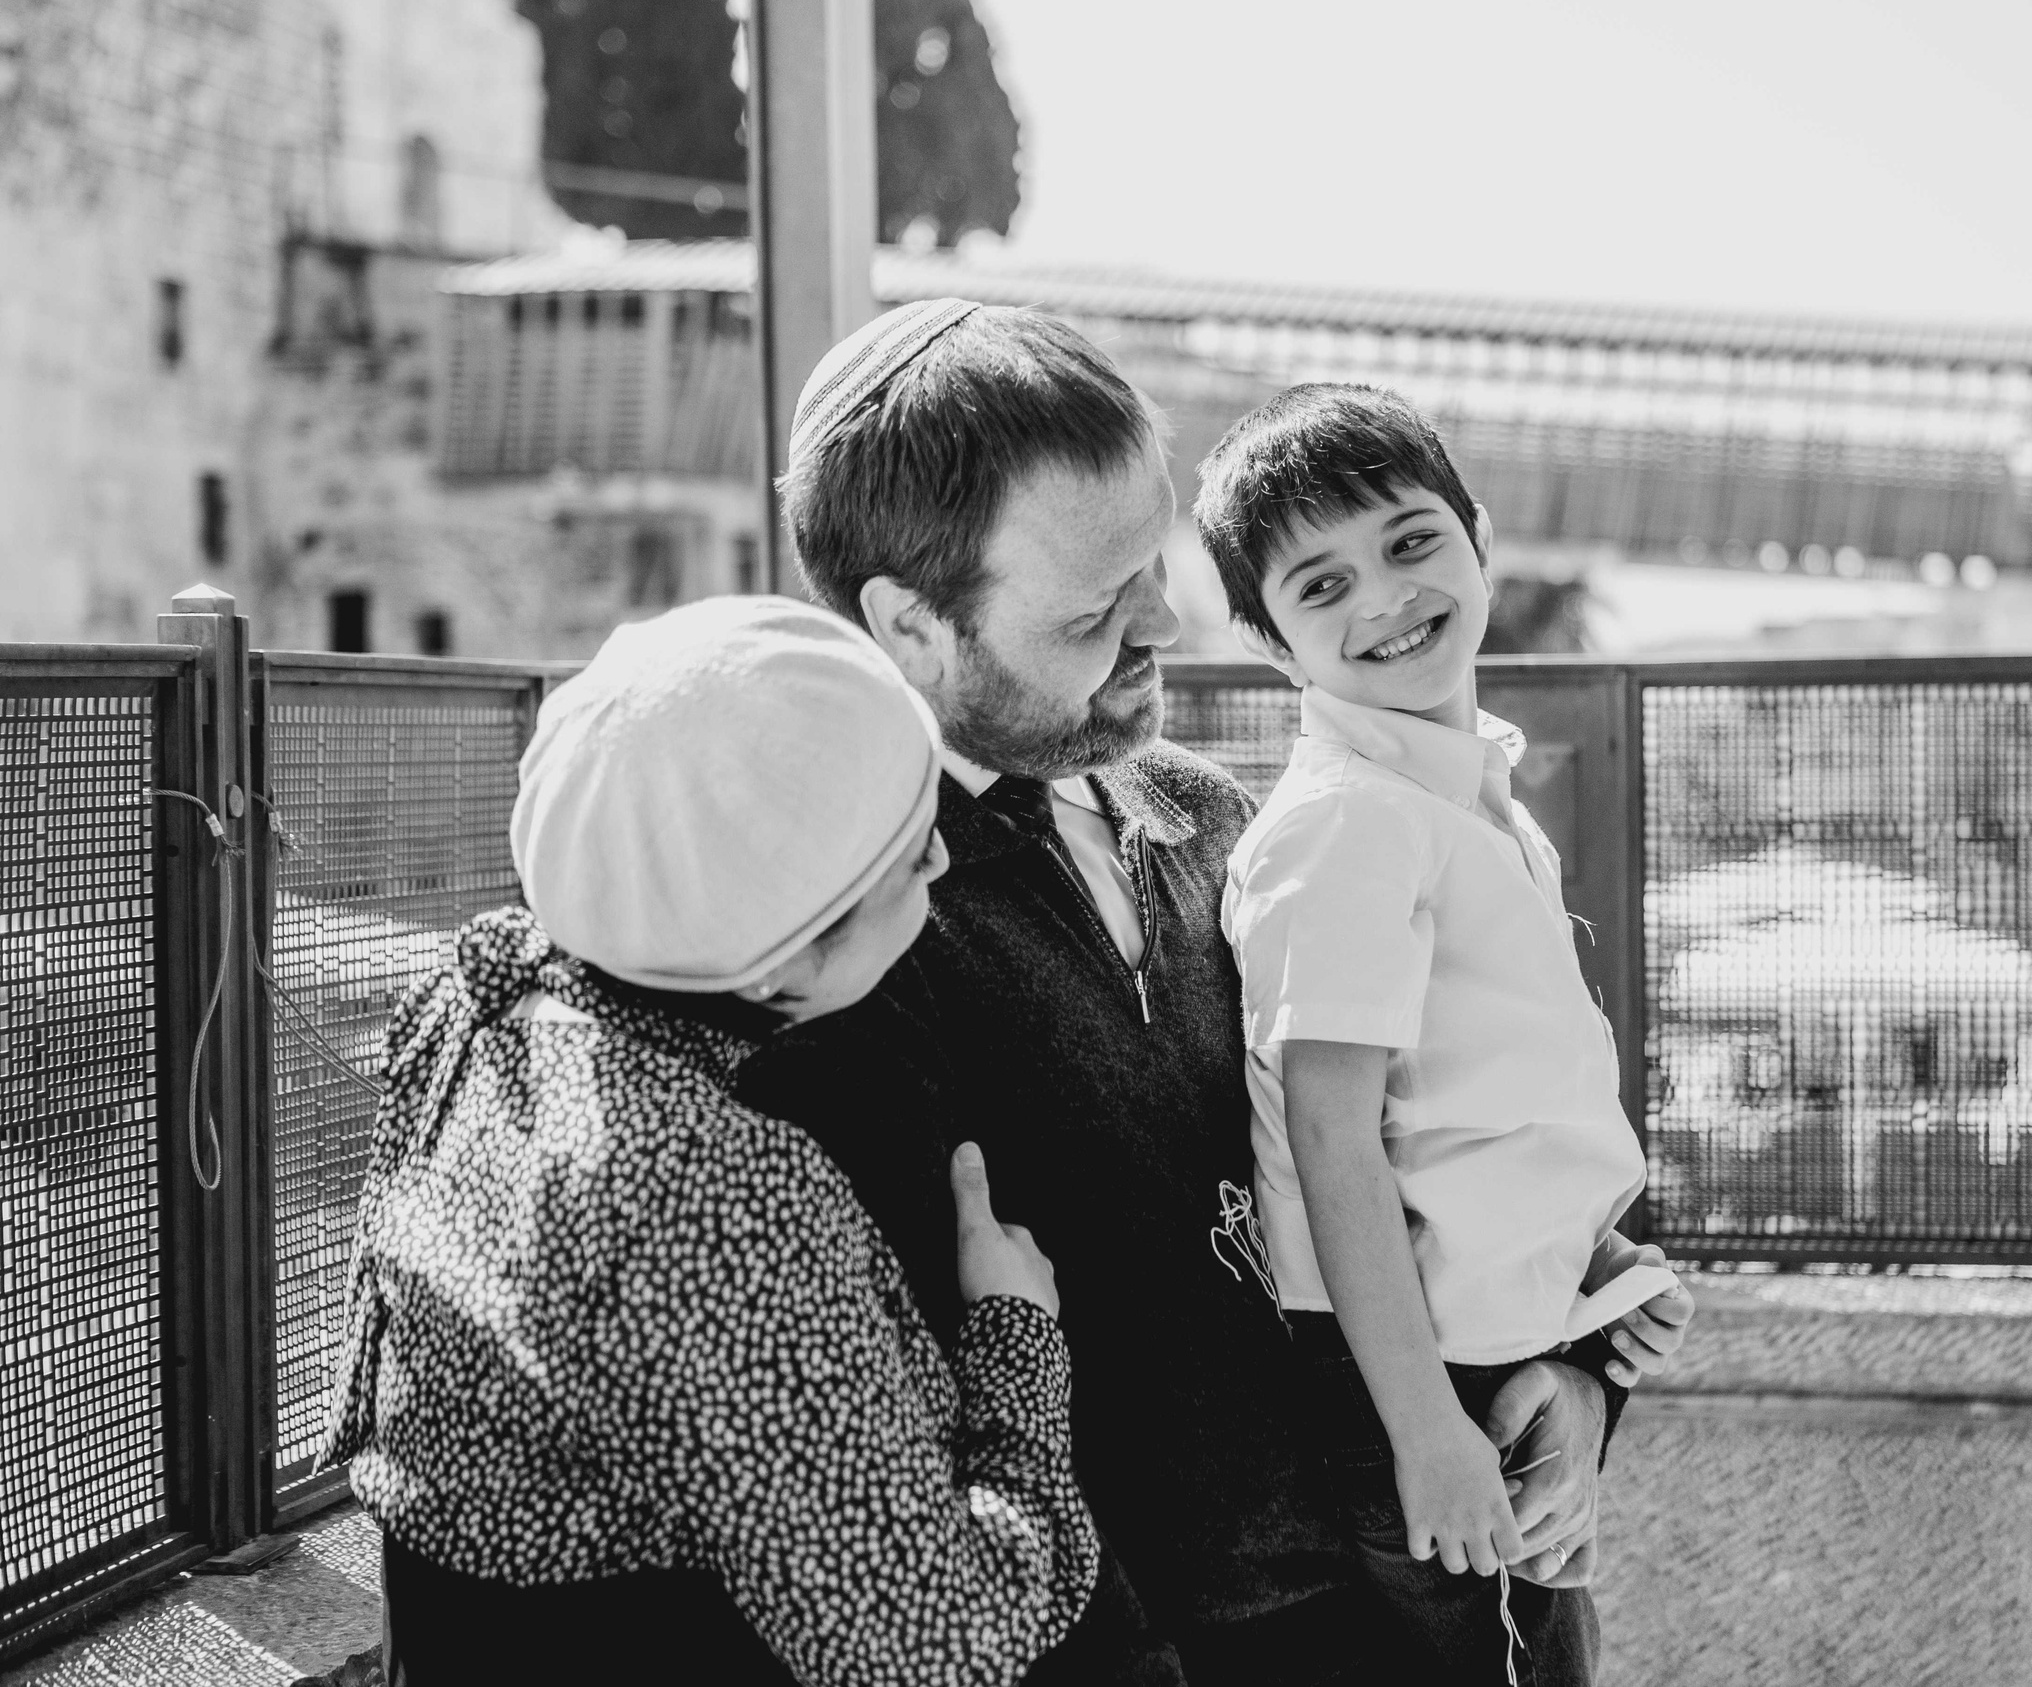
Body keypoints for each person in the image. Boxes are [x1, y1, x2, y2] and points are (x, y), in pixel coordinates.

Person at [740, 300, 1695, 1686]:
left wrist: (1569, 1378)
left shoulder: (1216, 812)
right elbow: (892, 1441)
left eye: (1156, 562)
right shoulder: (843, 949)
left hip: (1435, 1571)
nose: (1168, 621)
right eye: (1093, 604)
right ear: (911, 624)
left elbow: (1453, 1140)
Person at [324, 596, 1097, 1686]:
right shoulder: (711, 1192)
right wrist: (1017, 1345)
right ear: (781, 964)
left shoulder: (482, 994)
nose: (938, 863)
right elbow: (936, 1641)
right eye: (911, 854)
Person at [1195, 383, 1679, 1683]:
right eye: (1320, 582)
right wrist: (1426, 1432)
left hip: (1484, 1351)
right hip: (1413, 1378)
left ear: (1478, 535)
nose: (1384, 599)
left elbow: (1479, 1109)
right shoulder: (1348, 820)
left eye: (1411, 542)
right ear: (1271, 639)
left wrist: (1592, 1289)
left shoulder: (1462, 794)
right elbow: (1329, 1137)